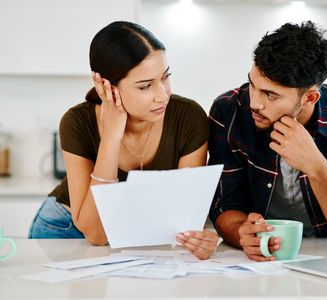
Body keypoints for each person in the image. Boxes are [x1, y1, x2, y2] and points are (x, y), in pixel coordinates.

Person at [29, 21, 218, 260]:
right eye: (145, 86)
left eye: (165, 77)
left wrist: (202, 239)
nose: (162, 95)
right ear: (107, 87)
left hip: (143, 231)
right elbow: (97, 235)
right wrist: (111, 136)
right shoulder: (77, 122)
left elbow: (185, 220)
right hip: (66, 229)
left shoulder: (189, 117)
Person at [208, 21, 327, 262]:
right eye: (252, 85)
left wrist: (315, 165)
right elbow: (226, 204)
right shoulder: (228, 110)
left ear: (310, 97)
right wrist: (242, 234)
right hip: (262, 258)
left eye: (270, 95)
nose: (254, 102)